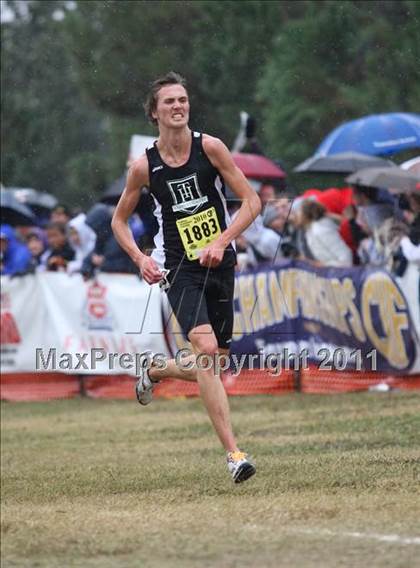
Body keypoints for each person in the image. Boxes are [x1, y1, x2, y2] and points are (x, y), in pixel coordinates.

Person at [112, 71, 261, 483]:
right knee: (207, 349)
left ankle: (156, 371)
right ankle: (234, 454)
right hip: (178, 267)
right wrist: (140, 257)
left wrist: (223, 239)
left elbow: (252, 201)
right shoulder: (144, 166)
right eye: (169, 102)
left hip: (220, 261)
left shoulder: (210, 147)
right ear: (154, 113)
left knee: (216, 361)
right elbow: (119, 220)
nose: (178, 107)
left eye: (183, 100)